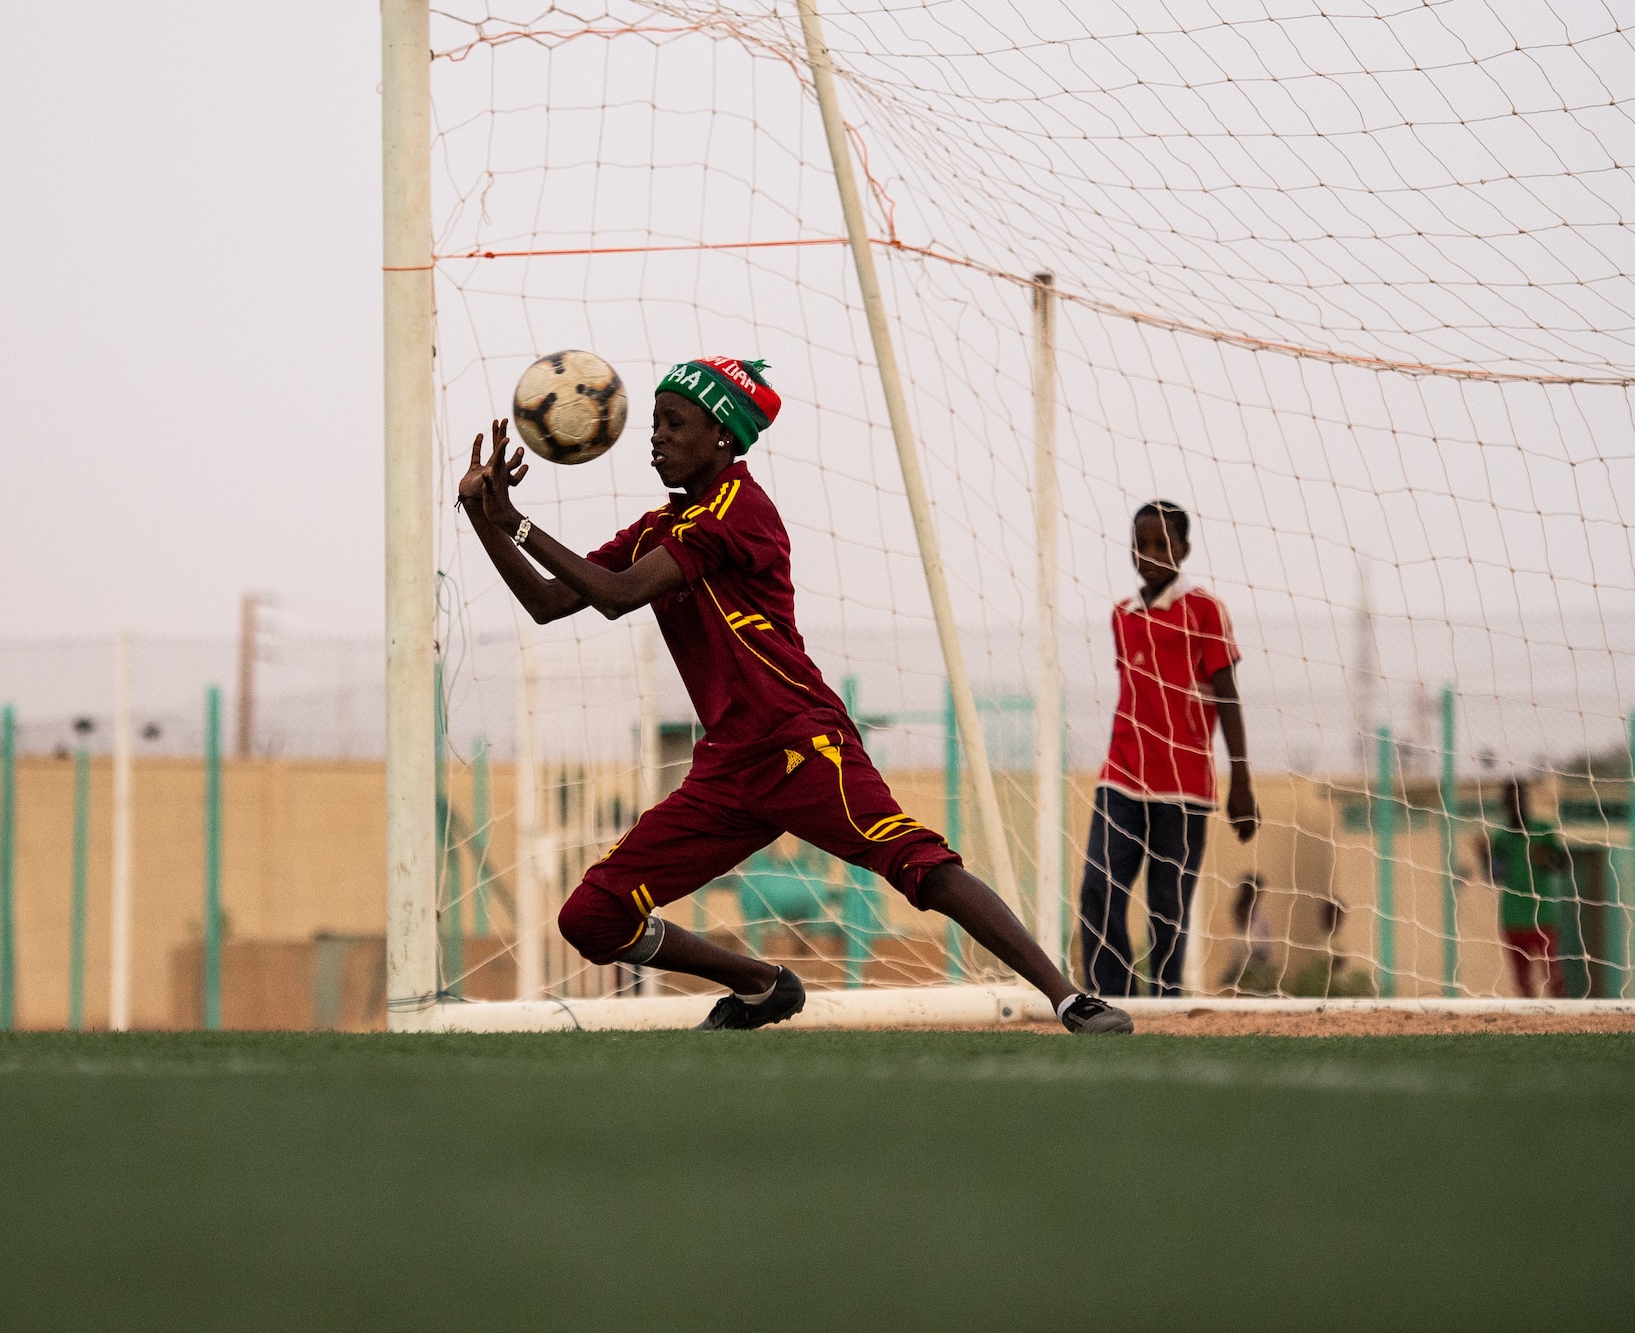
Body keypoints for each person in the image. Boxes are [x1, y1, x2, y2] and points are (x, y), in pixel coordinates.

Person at [457, 355, 1133, 1033]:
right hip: (728, 767)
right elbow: (550, 601)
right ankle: (762, 985)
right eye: (654, 422)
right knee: (591, 915)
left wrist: (514, 518)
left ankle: (1070, 996)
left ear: (722, 434)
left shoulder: (739, 510)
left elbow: (616, 595)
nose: (655, 436)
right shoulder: (661, 527)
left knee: (920, 866)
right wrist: (482, 514)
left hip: (802, 746)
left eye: (673, 421)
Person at [1077, 501, 1257, 997]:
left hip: (1183, 787)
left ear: (1184, 549)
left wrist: (1241, 778)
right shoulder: (1123, 616)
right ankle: (1110, 998)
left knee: (1167, 909)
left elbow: (1227, 694)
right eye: (1142, 542)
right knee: (1099, 888)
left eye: (1163, 543)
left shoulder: (1205, 610)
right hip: (1121, 777)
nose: (1151, 552)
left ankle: (1166, 1005)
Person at [1474, 778, 1571, 998]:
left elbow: (1564, 864)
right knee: (1522, 980)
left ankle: (1563, 1018)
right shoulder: (1502, 837)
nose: (1514, 804)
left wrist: (1546, 859)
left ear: (1526, 801)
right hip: (1512, 918)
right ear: (1503, 804)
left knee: (1553, 974)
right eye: (1509, 800)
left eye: (1518, 798)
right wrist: (1484, 855)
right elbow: (1495, 876)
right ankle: (1530, 1023)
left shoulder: (1543, 830)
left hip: (1542, 915)